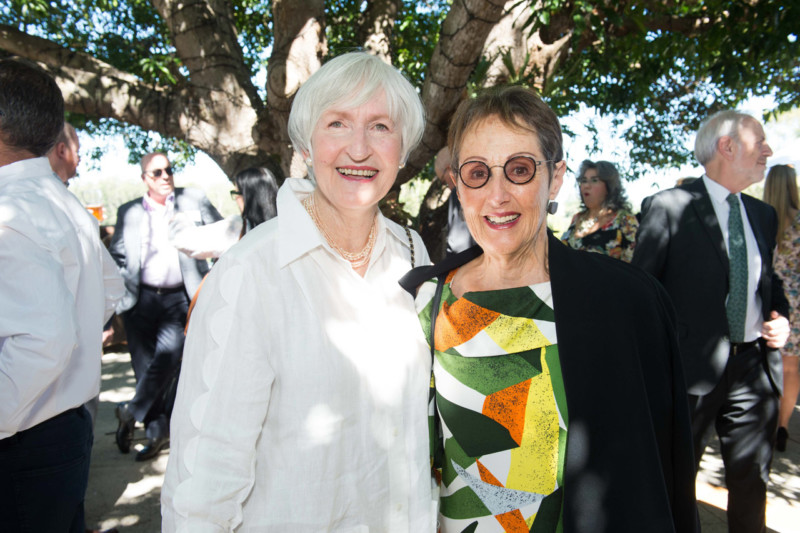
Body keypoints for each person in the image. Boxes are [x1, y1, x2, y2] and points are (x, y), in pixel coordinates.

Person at [400, 85, 698, 532]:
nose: (497, 195)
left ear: (555, 177)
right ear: (457, 184)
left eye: (519, 170)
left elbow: (660, 471)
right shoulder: (426, 300)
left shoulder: (628, 303)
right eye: (477, 173)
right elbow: (407, 459)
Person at [161, 52, 435, 531]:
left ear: (403, 149)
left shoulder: (412, 253)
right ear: (306, 146)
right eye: (337, 124)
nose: (358, 148)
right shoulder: (251, 272)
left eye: (380, 127)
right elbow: (206, 479)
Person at [633, 110, 790, 533]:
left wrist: (780, 317)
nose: (768, 150)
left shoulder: (763, 215)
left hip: (755, 368)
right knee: (675, 486)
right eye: (760, 141)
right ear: (727, 146)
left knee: (752, 482)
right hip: (688, 372)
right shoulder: (669, 206)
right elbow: (643, 293)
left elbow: (768, 282)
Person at [0, 59, 124, 533]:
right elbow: (110, 288)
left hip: (23, 436)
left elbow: (46, 339)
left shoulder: (10, 212)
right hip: (64, 426)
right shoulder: (60, 200)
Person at [109, 152, 223, 462]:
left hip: (179, 298)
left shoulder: (193, 199)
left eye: (169, 170)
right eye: (157, 172)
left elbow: (223, 237)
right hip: (139, 301)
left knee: (169, 359)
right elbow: (117, 254)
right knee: (145, 369)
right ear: (144, 178)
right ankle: (157, 433)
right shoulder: (129, 211)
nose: (165, 176)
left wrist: (216, 278)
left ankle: (130, 411)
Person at [763, 163, 800, 452]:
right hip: (795, 303)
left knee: (764, 364)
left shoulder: (761, 218)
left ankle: (763, 422)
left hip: (766, 298)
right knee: (790, 368)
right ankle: (782, 426)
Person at [169, 165, 281, 260]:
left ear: (246, 196)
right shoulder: (284, 224)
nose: (236, 199)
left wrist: (179, 219)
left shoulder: (237, 227)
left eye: (236, 193)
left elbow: (185, 241)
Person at [560, 159, 638, 261]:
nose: (586, 186)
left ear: (609, 186)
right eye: (584, 180)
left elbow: (635, 262)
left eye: (594, 180)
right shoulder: (577, 218)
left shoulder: (625, 219)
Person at [435, 146, 476, 257]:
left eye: (443, 181)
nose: (447, 186)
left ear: (449, 169)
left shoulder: (459, 192)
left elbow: (458, 243)